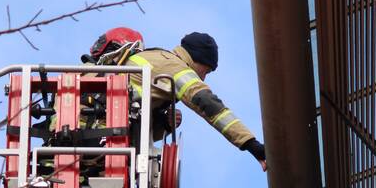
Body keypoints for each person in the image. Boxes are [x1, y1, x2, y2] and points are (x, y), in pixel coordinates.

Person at [89, 29, 268, 171]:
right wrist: (251, 144)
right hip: (100, 134)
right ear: (199, 60)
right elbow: (207, 104)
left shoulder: (153, 61)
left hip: (87, 133)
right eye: (206, 71)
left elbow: (133, 116)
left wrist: (163, 124)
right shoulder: (174, 66)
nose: (203, 78)